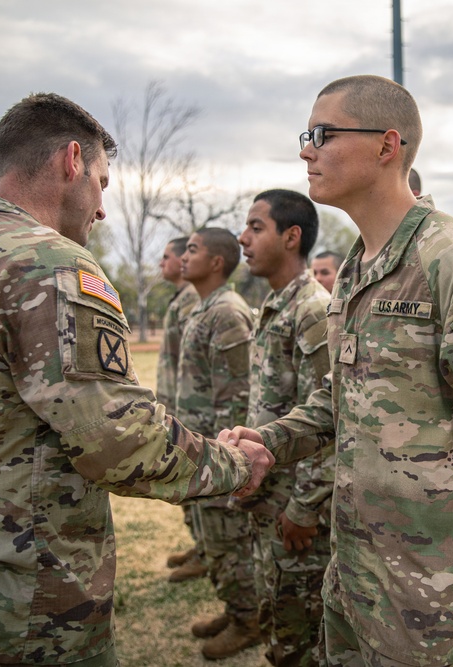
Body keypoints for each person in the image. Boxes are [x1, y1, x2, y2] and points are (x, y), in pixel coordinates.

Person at [0, 92, 273, 667]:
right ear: (72, 162)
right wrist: (235, 466)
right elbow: (119, 440)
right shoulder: (50, 263)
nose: (100, 210)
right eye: (102, 183)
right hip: (21, 606)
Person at [224, 74, 453, 666]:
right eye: (305, 135)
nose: (305, 150)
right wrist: (272, 441)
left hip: (443, 598)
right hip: (357, 576)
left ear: (386, 146)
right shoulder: (357, 266)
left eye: (321, 134)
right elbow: (346, 394)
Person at [237, 189, 334, 667]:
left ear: (291, 237)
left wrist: (305, 505)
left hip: (297, 510)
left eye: (257, 227)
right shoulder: (277, 305)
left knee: (301, 637)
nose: (243, 237)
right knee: (277, 615)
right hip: (271, 497)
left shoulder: (313, 311)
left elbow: (332, 416)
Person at [174, 227, 262, 660]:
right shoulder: (205, 307)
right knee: (214, 544)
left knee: (229, 545)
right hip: (199, 451)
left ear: (216, 263)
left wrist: (225, 464)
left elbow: (237, 397)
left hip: (217, 454)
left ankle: (249, 621)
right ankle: (237, 609)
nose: (182, 257)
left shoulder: (227, 312)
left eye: (192, 250)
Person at [157, 236, 206, 576]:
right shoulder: (182, 299)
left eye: (165, 256)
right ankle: (202, 547)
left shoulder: (192, 301)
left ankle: (207, 551)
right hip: (178, 405)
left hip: (193, 408)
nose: (163, 263)